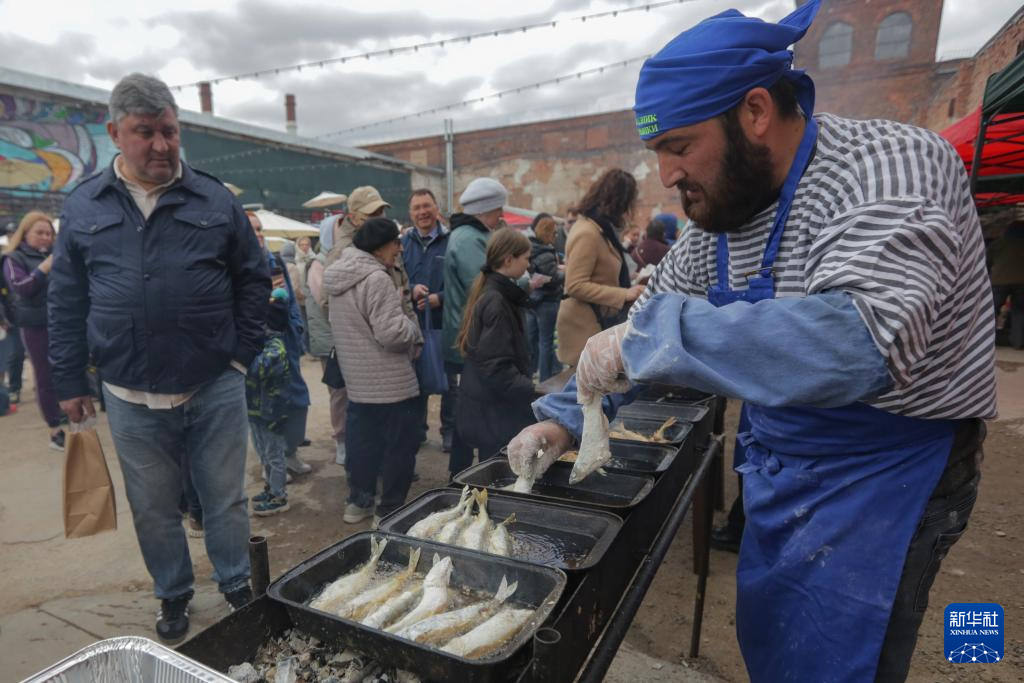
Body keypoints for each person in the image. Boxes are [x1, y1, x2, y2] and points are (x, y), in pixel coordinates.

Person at [508, 2, 995, 680]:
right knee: (776, 639)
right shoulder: (717, 223)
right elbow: (642, 330)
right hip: (780, 461)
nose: (666, 175)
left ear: (757, 111)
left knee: (840, 659)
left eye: (679, 146)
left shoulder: (891, 167)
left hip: (886, 470)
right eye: (657, 153)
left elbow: (859, 343)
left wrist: (647, 339)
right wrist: (564, 419)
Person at [48, 73, 269, 643]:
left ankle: (235, 581)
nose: (161, 145)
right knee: (152, 507)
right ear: (114, 133)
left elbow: (253, 279)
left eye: (169, 131)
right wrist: (68, 381)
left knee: (224, 499)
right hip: (129, 393)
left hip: (214, 383)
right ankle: (172, 592)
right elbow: (66, 300)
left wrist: (241, 356)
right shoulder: (84, 206)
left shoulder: (214, 199)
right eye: (145, 132)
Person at [323, 218, 423, 526]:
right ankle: (389, 510)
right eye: (395, 242)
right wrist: (413, 328)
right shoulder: (377, 278)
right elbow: (392, 334)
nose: (399, 249)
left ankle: (359, 502)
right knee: (399, 448)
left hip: (358, 381)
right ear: (380, 247)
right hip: (391, 382)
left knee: (362, 446)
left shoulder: (339, 277)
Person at [442, 177, 508, 477]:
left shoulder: (470, 234)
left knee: (471, 408)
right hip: (473, 337)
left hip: (471, 334)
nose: (501, 215)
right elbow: (482, 285)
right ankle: (470, 475)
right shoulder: (469, 238)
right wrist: (520, 281)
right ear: (485, 209)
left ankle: (465, 472)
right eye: (498, 209)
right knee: (476, 410)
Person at [455, 229, 537, 458]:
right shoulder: (497, 301)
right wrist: (531, 390)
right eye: (526, 258)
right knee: (494, 469)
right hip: (494, 410)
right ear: (509, 259)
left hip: (490, 407)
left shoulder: (496, 293)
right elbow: (496, 366)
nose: (528, 264)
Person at [555, 169, 645, 368]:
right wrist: (624, 294)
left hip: (597, 324)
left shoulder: (600, 229)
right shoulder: (588, 232)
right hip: (584, 328)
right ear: (618, 202)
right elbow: (575, 285)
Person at [248, 213, 312, 477]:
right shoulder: (235, 264)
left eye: (260, 228)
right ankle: (271, 463)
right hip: (259, 349)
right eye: (251, 229)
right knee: (264, 410)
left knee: (297, 401)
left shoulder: (274, 261)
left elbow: (291, 301)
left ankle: (290, 452)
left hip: (287, 344)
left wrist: (296, 327)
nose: (258, 234)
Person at [2, 211, 65, 449]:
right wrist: (44, 268)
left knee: (66, 369)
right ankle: (54, 429)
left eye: (49, 233)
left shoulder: (57, 254)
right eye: (40, 232)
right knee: (44, 375)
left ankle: (63, 410)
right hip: (35, 325)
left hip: (62, 321)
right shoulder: (13, 258)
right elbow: (21, 288)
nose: (46, 237)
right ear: (25, 233)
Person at [401, 188, 455, 450]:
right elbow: (395, 278)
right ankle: (418, 429)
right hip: (412, 323)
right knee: (415, 378)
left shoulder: (451, 241)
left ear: (436, 208)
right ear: (410, 213)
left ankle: (449, 430)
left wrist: (439, 298)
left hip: (445, 322)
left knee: (450, 380)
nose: (422, 212)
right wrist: (411, 289)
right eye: (417, 208)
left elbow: (463, 283)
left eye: (426, 206)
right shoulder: (403, 243)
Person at [325, 185, 416, 323]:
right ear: (353, 218)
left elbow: (405, 295)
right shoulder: (341, 252)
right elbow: (328, 304)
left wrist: (414, 331)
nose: (380, 217)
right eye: (372, 214)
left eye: (381, 211)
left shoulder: (389, 243)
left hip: (400, 330)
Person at [246, 292, 293, 516]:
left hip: (271, 414)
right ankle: (269, 488)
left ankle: (279, 496)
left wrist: (245, 351)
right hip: (255, 411)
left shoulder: (276, 348)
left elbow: (257, 370)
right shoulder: (265, 343)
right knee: (263, 453)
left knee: (275, 455)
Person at [304, 244, 347, 465]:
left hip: (344, 337)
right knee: (338, 392)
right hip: (330, 341)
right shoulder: (319, 264)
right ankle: (341, 440)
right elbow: (326, 302)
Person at [526, 214, 564, 381]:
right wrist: (566, 273)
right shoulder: (546, 252)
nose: (555, 235)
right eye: (554, 232)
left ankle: (530, 374)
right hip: (547, 300)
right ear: (548, 232)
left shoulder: (531, 248)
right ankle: (546, 380)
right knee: (546, 342)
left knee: (532, 339)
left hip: (533, 299)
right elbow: (553, 278)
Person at [987, 207, 1024, 348]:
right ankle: (1018, 342)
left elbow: (987, 262)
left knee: (991, 311)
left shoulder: (998, 243)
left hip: (999, 281)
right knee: (1019, 312)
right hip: (1021, 282)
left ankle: (987, 340)